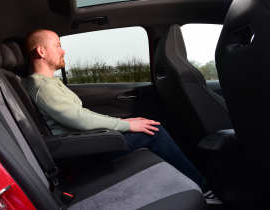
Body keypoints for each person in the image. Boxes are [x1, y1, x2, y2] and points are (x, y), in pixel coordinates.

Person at [22, 29, 221, 204]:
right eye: (57, 45)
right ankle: (205, 189)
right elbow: (78, 119)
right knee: (154, 131)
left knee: (146, 125)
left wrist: (123, 122)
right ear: (41, 51)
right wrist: (125, 126)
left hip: (85, 142)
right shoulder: (42, 86)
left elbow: (81, 114)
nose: (63, 50)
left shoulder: (49, 83)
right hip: (81, 152)